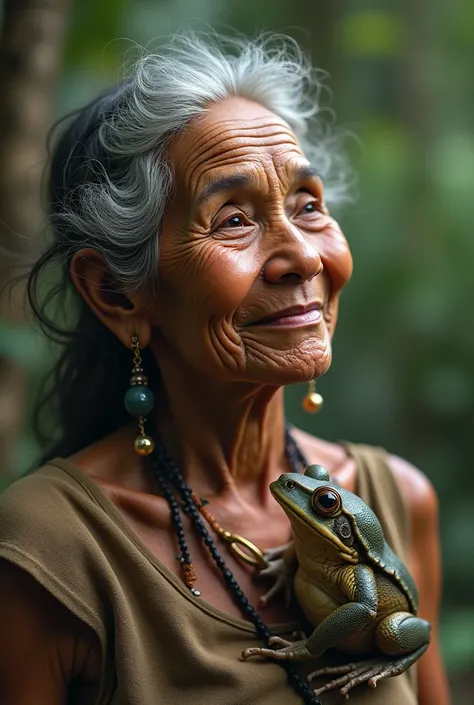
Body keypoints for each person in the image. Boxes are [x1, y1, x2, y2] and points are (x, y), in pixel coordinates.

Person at [0, 33, 449, 705]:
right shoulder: (47, 550)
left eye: (308, 205)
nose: (301, 256)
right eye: (233, 218)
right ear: (117, 293)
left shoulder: (397, 500)